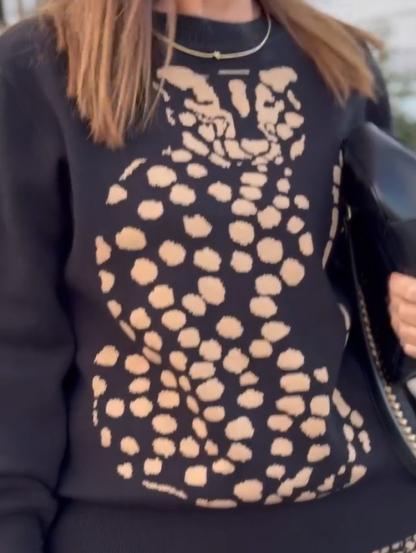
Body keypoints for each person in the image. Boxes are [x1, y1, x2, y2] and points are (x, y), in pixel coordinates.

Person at [1, 0, 416, 552]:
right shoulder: (38, 67)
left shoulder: (340, 58)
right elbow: (16, 353)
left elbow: (373, 307)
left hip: (377, 521)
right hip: (135, 528)